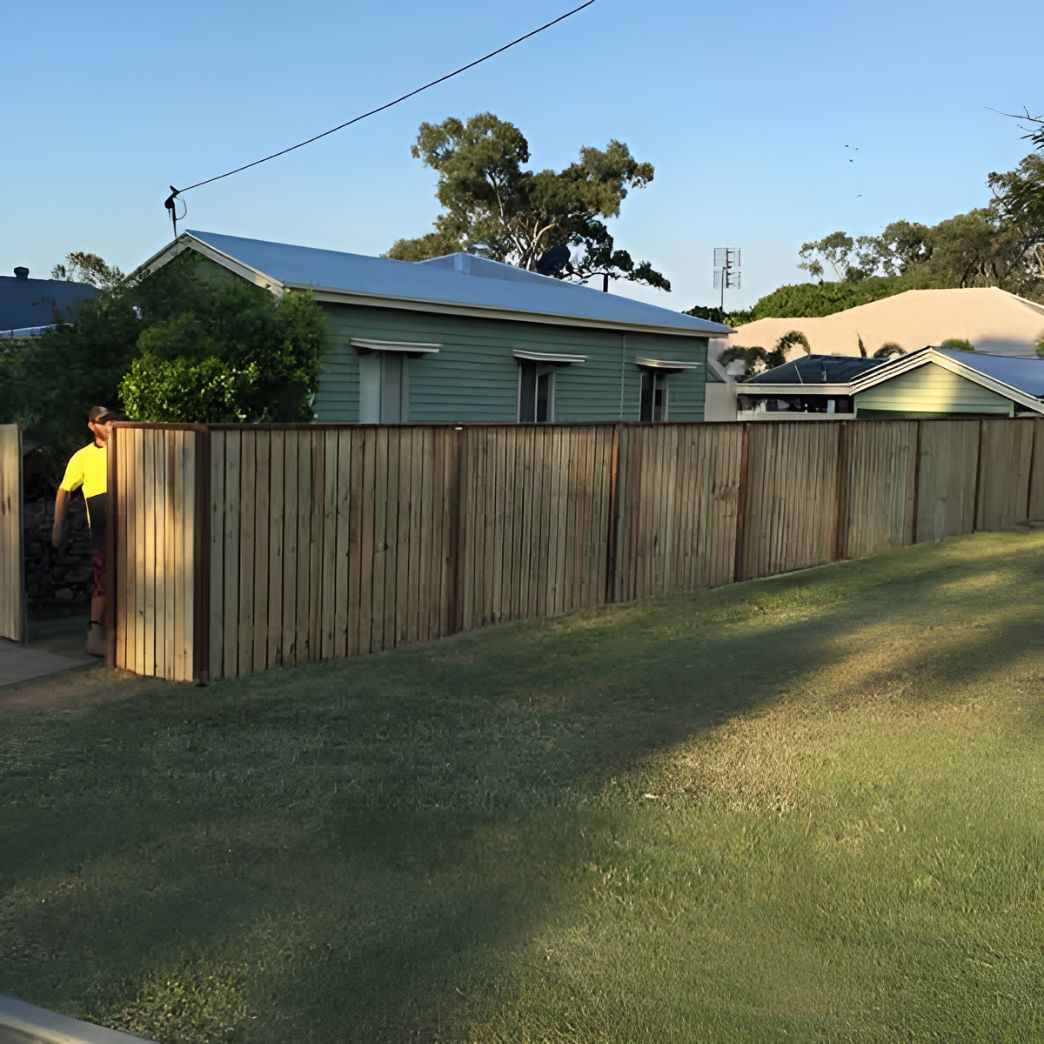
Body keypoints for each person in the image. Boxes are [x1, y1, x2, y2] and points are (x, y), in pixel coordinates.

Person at [52, 406, 116, 656]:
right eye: (104, 422)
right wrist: (58, 526)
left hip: (129, 519)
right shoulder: (82, 457)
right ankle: (94, 636)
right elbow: (64, 490)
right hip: (101, 521)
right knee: (103, 581)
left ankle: (115, 633)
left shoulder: (127, 448)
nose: (110, 425)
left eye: (112, 420)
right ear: (92, 426)